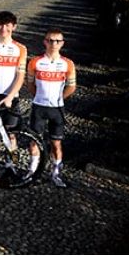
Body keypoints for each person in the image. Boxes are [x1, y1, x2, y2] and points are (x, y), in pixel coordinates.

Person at [27, 28, 77, 188]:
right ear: (45, 42)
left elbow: (72, 86)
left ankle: (55, 175)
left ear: (62, 43)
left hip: (57, 109)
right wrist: (39, 97)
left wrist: (59, 99)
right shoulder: (35, 62)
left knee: (56, 144)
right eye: (50, 40)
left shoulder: (68, 64)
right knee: (34, 141)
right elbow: (30, 83)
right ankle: (32, 172)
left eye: (57, 41)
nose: (53, 44)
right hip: (39, 107)